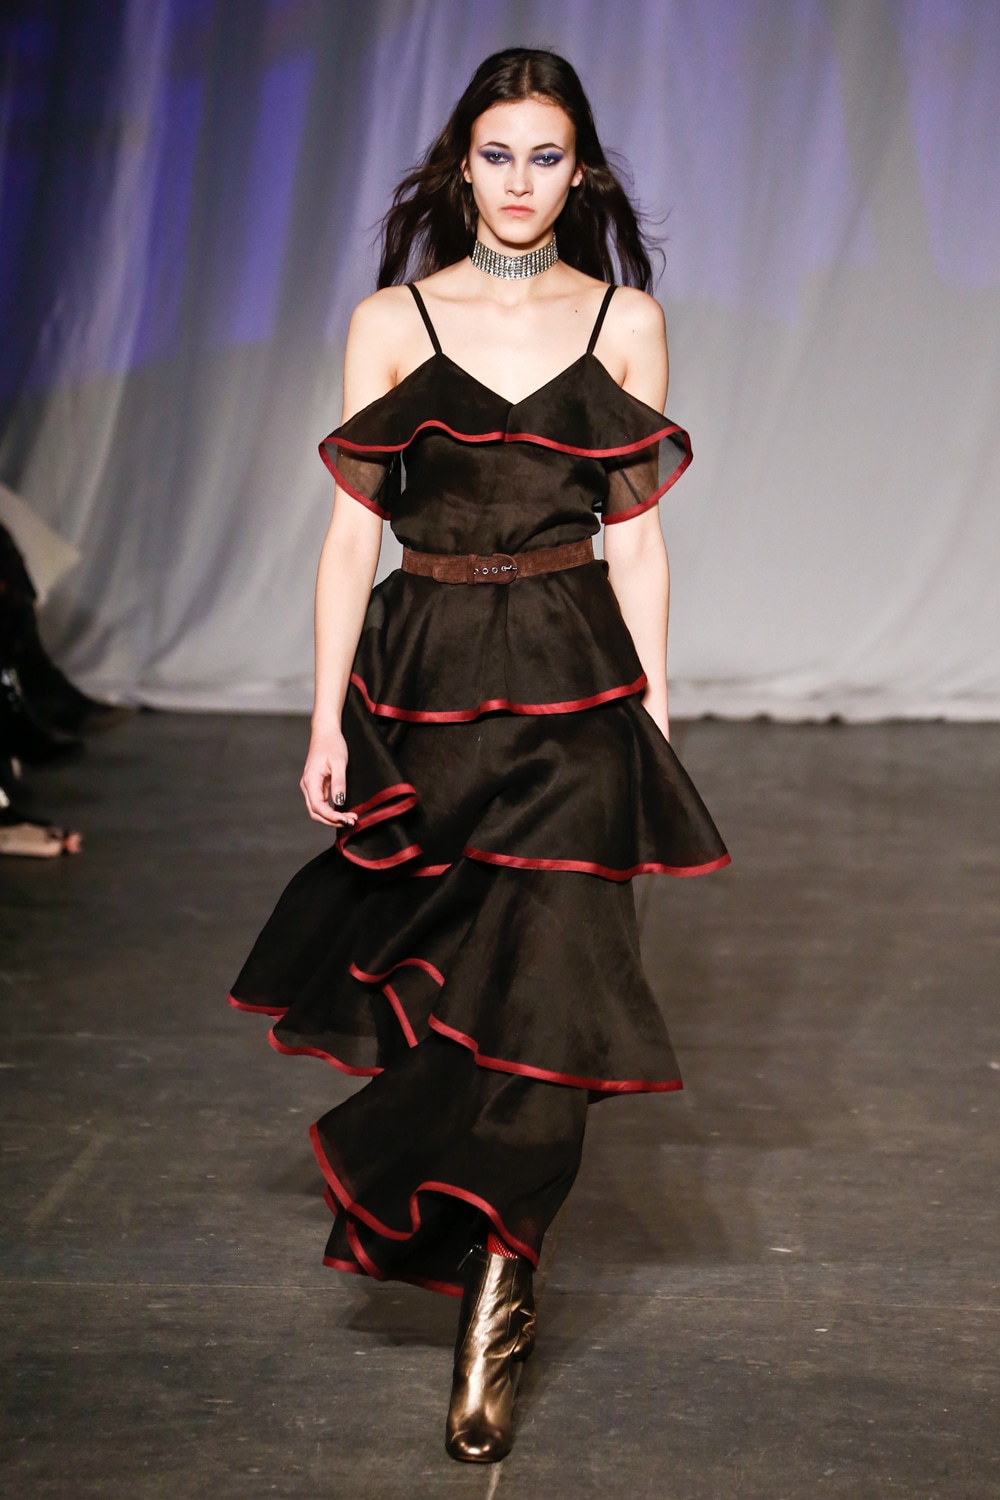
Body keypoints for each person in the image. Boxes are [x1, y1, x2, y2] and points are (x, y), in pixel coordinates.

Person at [229, 47, 729, 1464]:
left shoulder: (625, 321)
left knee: (554, 996)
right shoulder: (391, 321)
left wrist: (652, 718)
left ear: (584, 173)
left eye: (546, 156)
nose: (520, 181)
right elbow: (350, 538)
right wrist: (323, 716)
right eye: (497, 154)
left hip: (574, 691)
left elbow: (638, 542)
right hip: (424, 688)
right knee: (442, 994)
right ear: (462, 164)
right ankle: (468, 1231)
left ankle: (502, 1291)